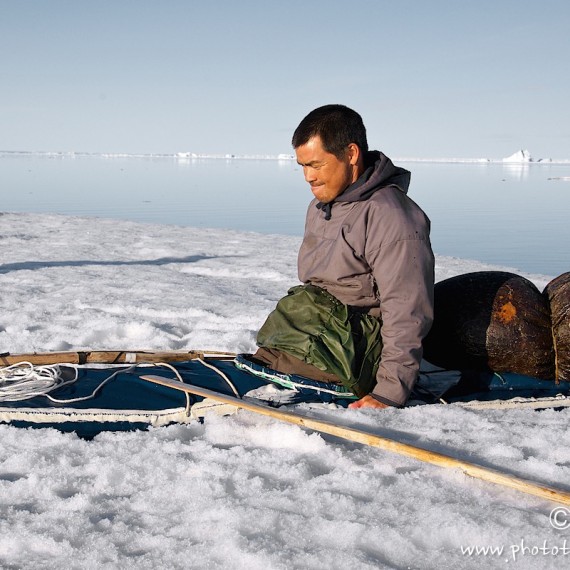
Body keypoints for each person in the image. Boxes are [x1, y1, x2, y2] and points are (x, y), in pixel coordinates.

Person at [253, 104, 434, 409]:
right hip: (319, 333)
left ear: (350, 154)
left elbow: (407, 310)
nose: (308, 177)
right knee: (264, 359)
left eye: (316, 164)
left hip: (357, 351)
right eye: (302, 166)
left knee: (276, 370)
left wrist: (388, 393)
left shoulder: (389, 216)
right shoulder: (322, 206)